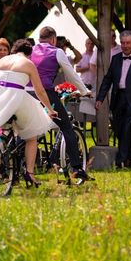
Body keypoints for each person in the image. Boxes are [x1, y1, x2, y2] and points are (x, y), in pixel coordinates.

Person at [0, 39, 57, 186]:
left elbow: (1, 80)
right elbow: (40, 90)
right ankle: (29, 173)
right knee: (31, 136)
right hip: (15, 98)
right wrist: (50, 109)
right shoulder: (29, 64)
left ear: (13, 51)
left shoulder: (3, 60)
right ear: (29, 54)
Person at [31, 26, 91, 180]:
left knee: (28, 129)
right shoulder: (57, 51)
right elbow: (70, 74)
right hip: (46, 93)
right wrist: (84, 91)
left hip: (28, 92)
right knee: (66, 127)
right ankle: (77, 168)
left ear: (39, 39)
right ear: (53, 39)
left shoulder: (31, 49)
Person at [95, 30, 131, 168]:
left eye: (128, 43)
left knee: (127, 127)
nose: (125, 46)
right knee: (118, 128)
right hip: (118, 97)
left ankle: (120, 160)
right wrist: (100, 98)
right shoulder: (115, 58)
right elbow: (107, 79)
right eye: (123, 43)